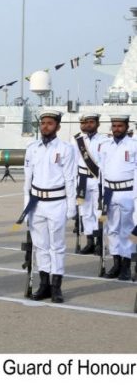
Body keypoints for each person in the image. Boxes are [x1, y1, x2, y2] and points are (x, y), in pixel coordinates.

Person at [21, 111, 76, 302]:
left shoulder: (66, 149)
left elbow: (70, 179)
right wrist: (26, 206)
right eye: (43, 123)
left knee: (57, 247)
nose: (45, 126)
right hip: (37, 203)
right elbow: (27, 180)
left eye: (49, 123)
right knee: (40, 246)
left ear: (58, 127)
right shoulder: (32, 148)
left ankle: (56, 287)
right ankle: (43, 285)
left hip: (57, 202)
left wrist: (71, 206)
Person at [98, 115, 137, 281]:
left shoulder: (134, 145)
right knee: (112, 229)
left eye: (120, 126)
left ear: (126, 127)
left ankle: (127, 264)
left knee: (127, 229)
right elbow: (102, 170)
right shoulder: (105, 146)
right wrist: (101, 193)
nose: (116, 129)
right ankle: (116, 263)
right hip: (109, 192)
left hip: (127, 191)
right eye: (114, 126)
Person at [72, 113, 110, 255]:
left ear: (98, 124)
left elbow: (105, 162)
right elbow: (74, 162)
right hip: (82, 180)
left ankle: (99, 241)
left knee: (99, 212)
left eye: (92, 122)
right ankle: (89, 242)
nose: (89, 124)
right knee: (85, 212)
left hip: (98, 179)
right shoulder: (78, 140)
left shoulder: (105, 140)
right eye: (87, 122)